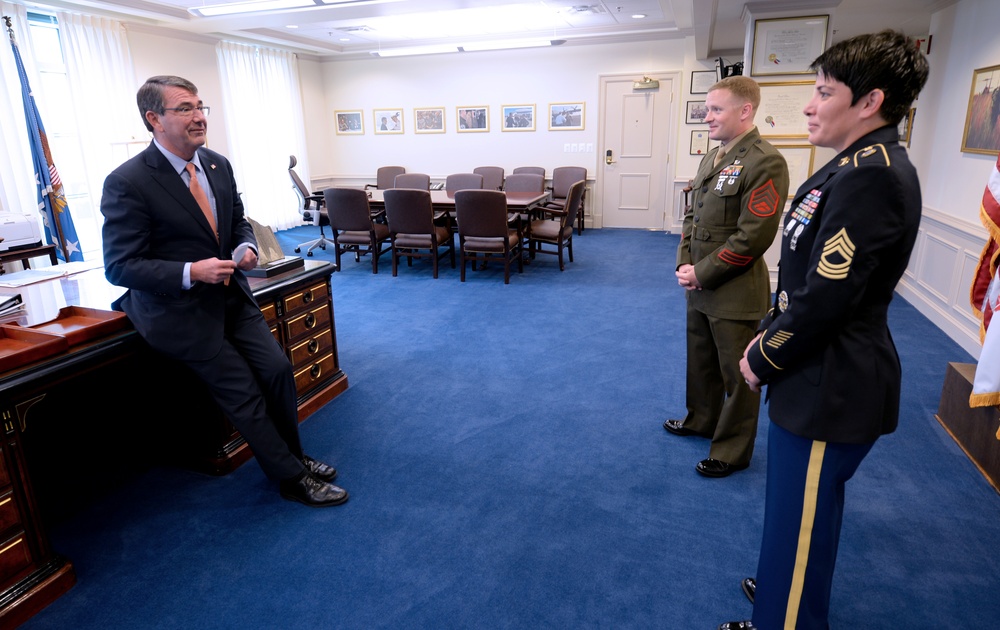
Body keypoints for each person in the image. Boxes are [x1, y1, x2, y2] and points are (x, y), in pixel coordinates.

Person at [721, 30, 929, 630]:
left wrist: (766, 356)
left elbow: (828, 298)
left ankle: (783, 618)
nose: (809, 105)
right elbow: (802, 275)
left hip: (827, 381)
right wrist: (769, 331)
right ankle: (787, 584)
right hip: (818, 371)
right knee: (802, 515)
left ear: (869, 102)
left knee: (800, 515)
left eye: (823, 92)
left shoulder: (873, 173)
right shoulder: (857, 164)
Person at [100, 75, 349, 508]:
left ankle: (292, 456)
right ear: (154, 119)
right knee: (244, 394)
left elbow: (238, 220)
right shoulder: (128, 181)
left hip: (231, 297)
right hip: (178, 313)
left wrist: (245, 246)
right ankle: (291, 477)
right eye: (185, 109)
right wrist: (190, 271)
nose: (199, 117)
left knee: (275, 371)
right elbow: (120, 266)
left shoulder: (217, 164)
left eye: (201, 107)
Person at [664, 75, 789, 478]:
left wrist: (702, 272)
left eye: (716, 109)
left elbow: (754, 236)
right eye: (707, 109)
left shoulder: (764, 160)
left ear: (745, 110)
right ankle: (701, 419)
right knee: (700, 360)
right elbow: (692, 215)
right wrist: (685, 263)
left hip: (733, 288)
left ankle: (732, 449)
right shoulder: (713, 156)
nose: (707, 117)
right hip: (699, 283)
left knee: (738, 374)